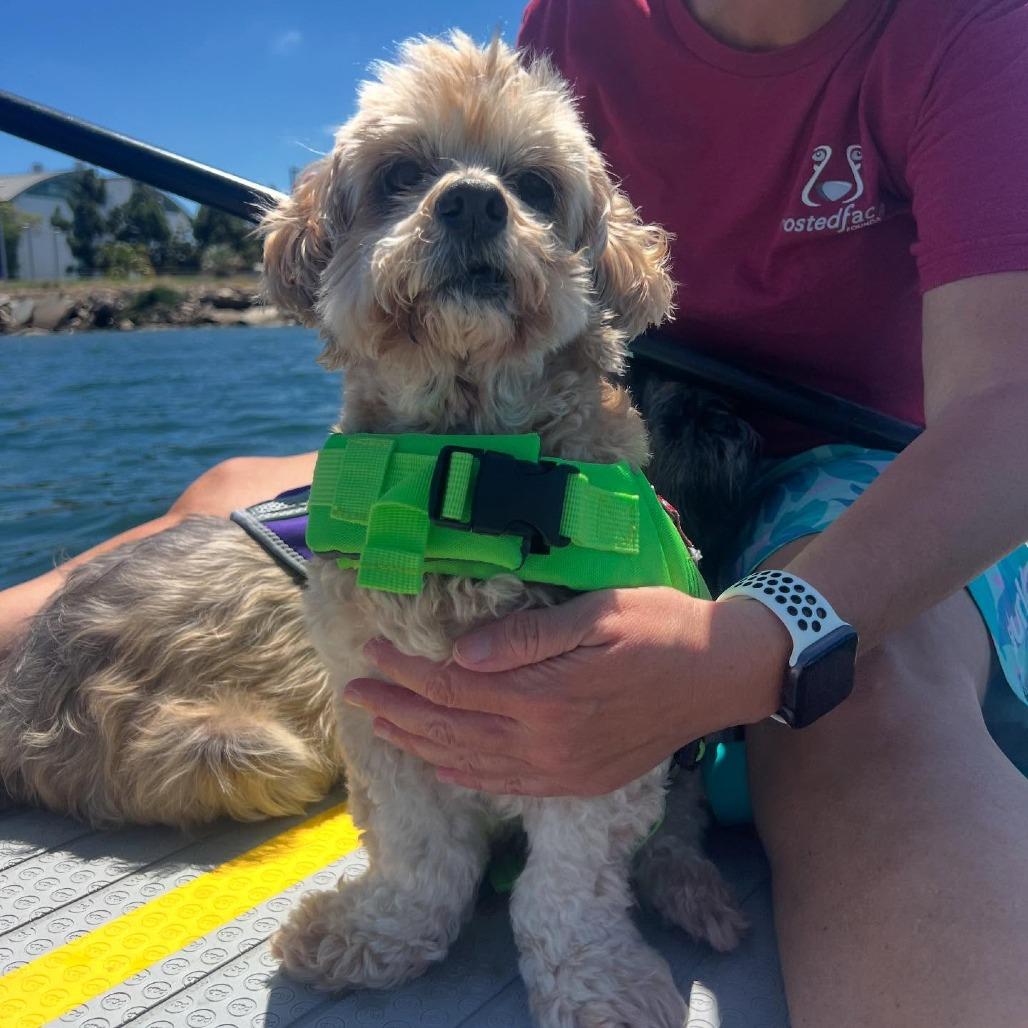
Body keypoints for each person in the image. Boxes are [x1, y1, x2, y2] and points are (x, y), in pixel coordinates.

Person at [1, 1, 1026, 1024]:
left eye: (529, 190)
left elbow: (1006, 413)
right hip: (495, 419)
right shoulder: (574, 19)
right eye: (406, 181)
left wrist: (749, 645)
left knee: (868, 691)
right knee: (219, 496)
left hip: (833, 454)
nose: (472, 204)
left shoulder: (971, 28)